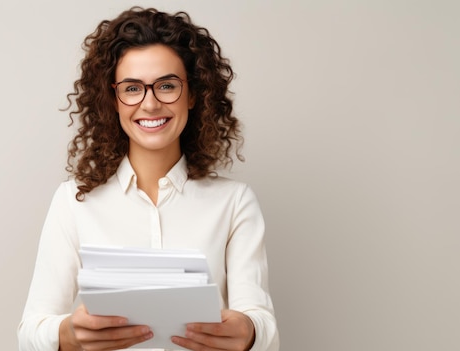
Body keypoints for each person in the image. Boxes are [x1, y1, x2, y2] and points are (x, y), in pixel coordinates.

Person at [18, 6, 279, 351]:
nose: (150, 103)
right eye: (132, 88)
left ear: (193, 94)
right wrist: (66, 334)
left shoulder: (234, 202)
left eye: (167, 85)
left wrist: (249, 333)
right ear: (113, 99)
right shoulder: (73, 202)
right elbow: (29, 333)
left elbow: (264, 328)